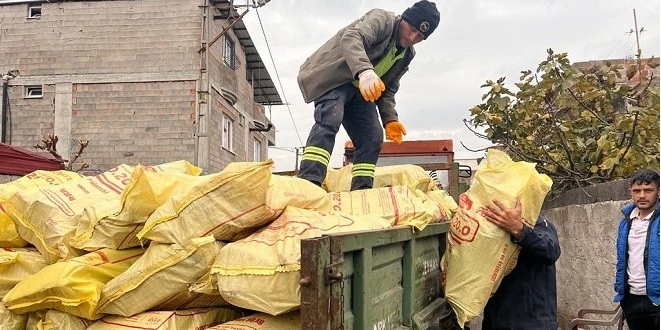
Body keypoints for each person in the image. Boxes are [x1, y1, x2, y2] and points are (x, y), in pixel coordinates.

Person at [296, 1, 440, 191]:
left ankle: (361, 191)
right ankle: (309, 183)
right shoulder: (382, 20)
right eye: (412, 28)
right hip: (336, 78)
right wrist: (365, 71)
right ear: (404, 18)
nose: (413, 37)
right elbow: (351, 38)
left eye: (420, 36)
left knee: (372, 136)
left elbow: (388, 89)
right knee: (331, 116)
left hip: (359, 92)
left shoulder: (407, 54)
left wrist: (390, 119)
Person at [481, 198, 561, 329]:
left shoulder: (539, 223)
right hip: (496, 320)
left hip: (532, 323)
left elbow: (551, 251)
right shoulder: (491, 228)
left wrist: (519, 230)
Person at [614, 169, 660, 330]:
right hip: (632, 299)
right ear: (630, 192)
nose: (642, 195)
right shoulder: (626, 222)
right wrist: (621, 291)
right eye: (637, 191)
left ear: (658, 191)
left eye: (648, 190)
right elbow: (623, 259)